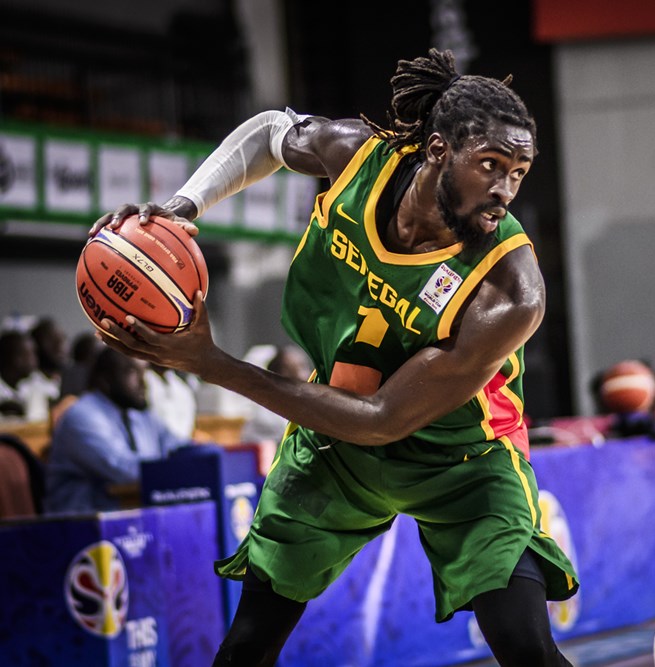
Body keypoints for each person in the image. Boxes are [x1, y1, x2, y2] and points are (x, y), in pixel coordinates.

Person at [92, 49, 578, 667]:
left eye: (519, 171)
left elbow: (381, 419)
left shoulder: (510, 289)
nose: (504, 190)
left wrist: (213, 364)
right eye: (490, 165)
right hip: (334, 443)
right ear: (436, 151)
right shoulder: (356, 159)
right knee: (246, 645)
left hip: (463, 461)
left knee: (527, 647)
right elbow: (271, 132)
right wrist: (184, 208)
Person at [44, 347, 187, 513]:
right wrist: (179, 468)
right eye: (132, 372)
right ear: (105, 380)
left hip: (128, 519)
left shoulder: (140, 415)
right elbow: (126, 472)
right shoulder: (82, 416)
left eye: (144, 371)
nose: (143, 382)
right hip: (80, 526)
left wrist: (205, 457)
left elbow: (180, 448)